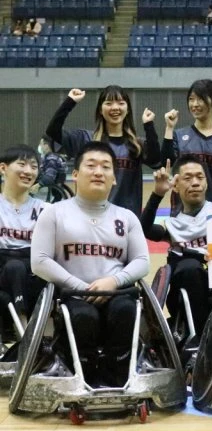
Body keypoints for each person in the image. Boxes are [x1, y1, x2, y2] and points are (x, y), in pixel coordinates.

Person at [30, 142, 150, 386]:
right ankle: (84, 377)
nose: (98, 172)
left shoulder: (127, 217)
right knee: (84, 317)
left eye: (106, 167)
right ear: (75, 174)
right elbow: (39, 261)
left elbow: (142, 262)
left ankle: (117, 380)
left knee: (126, 311)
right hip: (72, 297)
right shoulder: (53, 213)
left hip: (116, 293)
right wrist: (81, 287)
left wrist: (113, 281)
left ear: (114, 179)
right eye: (91, 165)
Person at [141, 156, 212, 338]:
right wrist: (157, 194)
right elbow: (145, 229)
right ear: (175, 186)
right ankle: (197, 341)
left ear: (206, 183)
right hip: (187, 294)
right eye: (188, 178)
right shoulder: (172, 224)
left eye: (200, 177)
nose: (195, 183)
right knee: (190, 267)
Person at [45, 85, 162, 217]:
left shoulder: (136, 145)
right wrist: (69, 102)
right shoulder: (86, 139)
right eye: (109, 103)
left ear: (128, 109)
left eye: (121, 103)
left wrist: (149, 126)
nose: (115, 107)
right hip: (89, 218)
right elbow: (53, 132)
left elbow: (156, 161)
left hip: (126, 220)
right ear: (100, 110)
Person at [161, 78, 212, 204]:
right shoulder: (179, 135)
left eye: (200, 99)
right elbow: (165, 163)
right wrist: (169, 128)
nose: (195, 104)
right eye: (191, 99)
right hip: (182, 211)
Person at [0, 145, 46, 321]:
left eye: (34, 167)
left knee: (18, 268)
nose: (28, 171)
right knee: (14, 268)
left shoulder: (47, 210)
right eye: (22, 164)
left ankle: (24, 325)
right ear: (3, 168)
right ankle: (21, 327)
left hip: (31, 269)